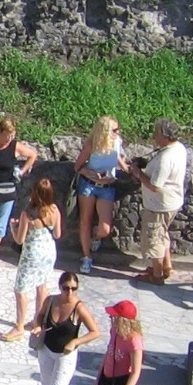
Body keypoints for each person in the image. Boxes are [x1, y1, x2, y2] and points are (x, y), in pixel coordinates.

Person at [33, 270, 99, 385]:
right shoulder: (51, 300)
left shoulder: (79, 307)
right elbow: (40, 316)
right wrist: (38, 325)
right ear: (60, 287)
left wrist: (75, 342)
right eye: (66, 288)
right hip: (46, 349)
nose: (69, 292)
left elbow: (95, 331)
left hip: (66, 355)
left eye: (73, 289)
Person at [127, 120, 189, 286]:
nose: (154, 136)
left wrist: (138, 173)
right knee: (162, 234)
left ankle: (157, 274)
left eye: (157, 133)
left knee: (154, 239)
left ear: (164, 136)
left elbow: (155, 185)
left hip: (159, 206)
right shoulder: (179, 148)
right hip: (172, 201)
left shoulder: (166, 158)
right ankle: (167, 267)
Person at [0, 115, 38, 270]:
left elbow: (32, 155)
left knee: (0, 223)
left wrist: (22, 171)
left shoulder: (14, 146)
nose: (9, 138)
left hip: (6, 190)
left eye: (12, 135)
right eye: (6, 135)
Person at [5, 177, 62, 341]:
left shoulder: (28, 214)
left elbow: (19, 240)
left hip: (32, 254)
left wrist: (13, 227)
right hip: (49, 251)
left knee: (21, 289)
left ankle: (19, 326)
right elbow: (57, 234)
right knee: (41, 285)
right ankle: (38, 322)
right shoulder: (55, 210)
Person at [73, 116, 124, 273]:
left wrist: (129, 169)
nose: (118, 132)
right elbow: (77, 166)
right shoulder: (92, 145)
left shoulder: (117, 142)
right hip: (89, 185)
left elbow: (120, 159)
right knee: (85, 220)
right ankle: (86, 256)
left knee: (105, 229)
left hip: (107, 186)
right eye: (114, 130)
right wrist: (89, 173)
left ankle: (96, 237)